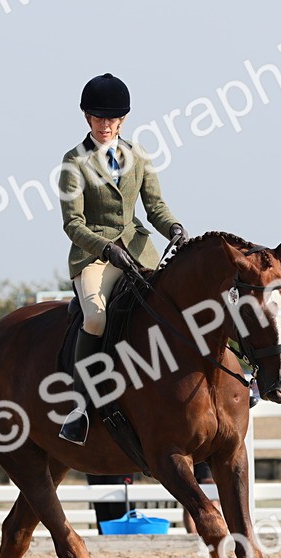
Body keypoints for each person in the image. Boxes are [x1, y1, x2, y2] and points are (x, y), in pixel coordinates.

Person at [57, 72, 187, 444]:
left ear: (123, 120)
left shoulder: (138, 156)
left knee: (178, 302)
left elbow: (156, 206)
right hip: (94, 257)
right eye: (99, 119)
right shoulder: (73, 163)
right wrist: (104, 248)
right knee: (96, 318)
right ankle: (79, 407)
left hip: (137, 249)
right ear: (87, 118)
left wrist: (175, 228)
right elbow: (73, 223)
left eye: (112, 119)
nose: (105, 126)